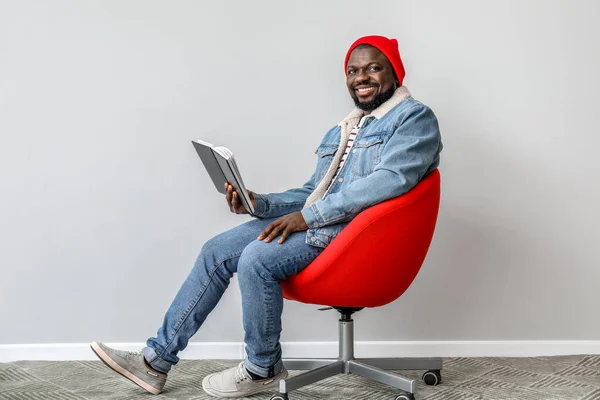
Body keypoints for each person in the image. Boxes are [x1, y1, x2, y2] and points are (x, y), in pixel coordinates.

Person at [90, 34, 443, 398]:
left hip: (354, 237)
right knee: (217, 249)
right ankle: (155, 361)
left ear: (394, 72)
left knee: (256, 257)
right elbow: (312, 192)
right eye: (353, 71)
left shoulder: (414, 117)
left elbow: (390, 181)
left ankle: (263, 368)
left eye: (373, 67)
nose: (361, 77)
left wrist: (308, 218)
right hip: (321, 223)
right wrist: (258, 204)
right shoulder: (345, 128)